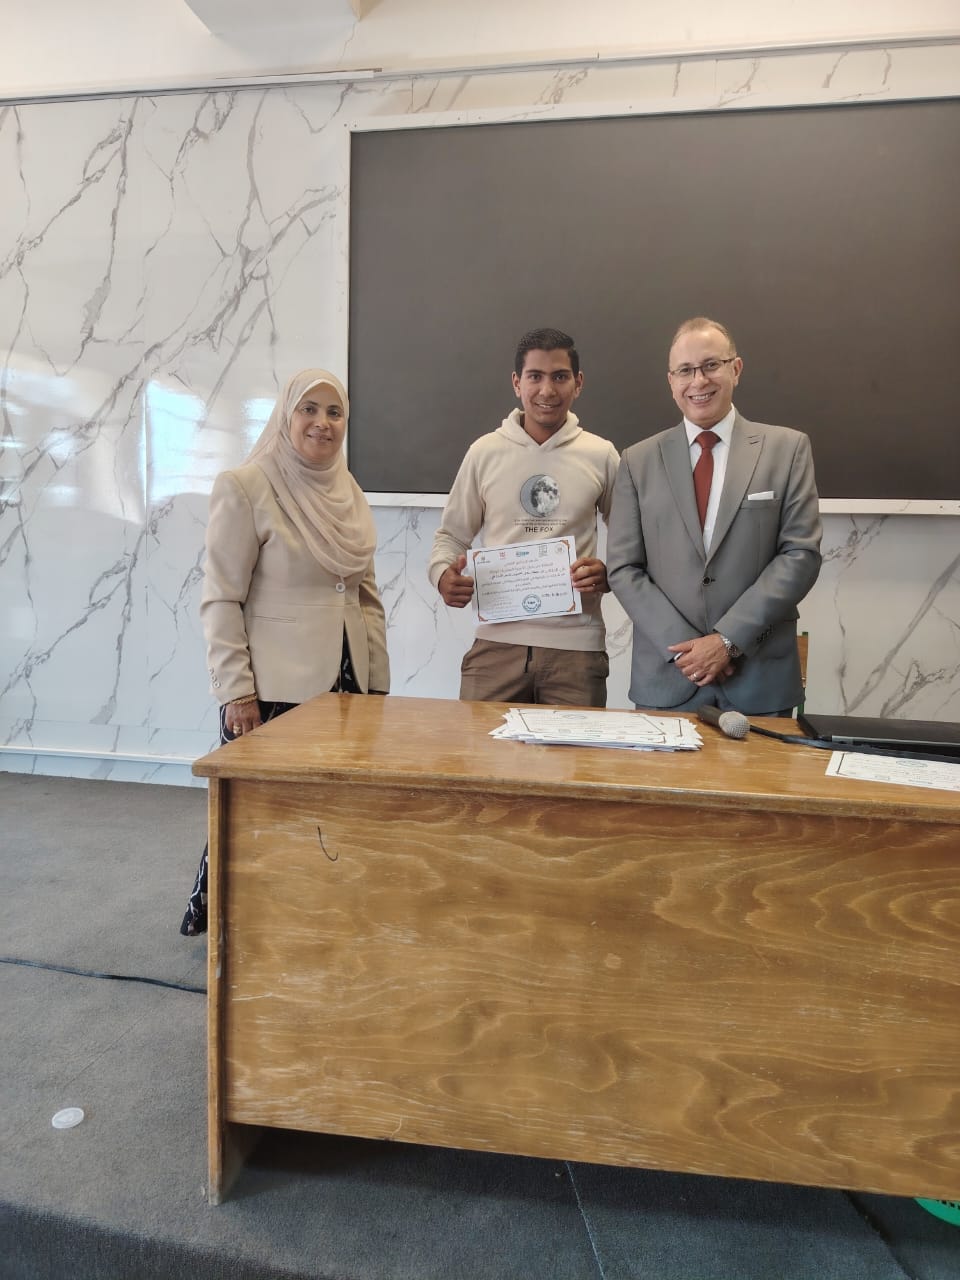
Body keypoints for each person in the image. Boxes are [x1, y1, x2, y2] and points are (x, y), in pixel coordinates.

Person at [179, 368, 389, 936]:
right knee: (255, 812)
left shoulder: (349, 491)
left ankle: (313, 915)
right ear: (285, 416)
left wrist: (377, 684)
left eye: (334, 412)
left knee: (333, 810)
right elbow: (221, 598)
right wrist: (236, 692)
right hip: (272, 689)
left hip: (347, 683)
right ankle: (235, 927)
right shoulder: (246, 486)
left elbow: (365, 598)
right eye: (309, 410)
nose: (323, 423)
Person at [607, 317, 822, 716]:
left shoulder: (786, 449)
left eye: (711, 365)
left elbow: (800, 555)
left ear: (735, 369)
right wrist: (689, 651)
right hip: (669, 678)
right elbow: (624, 568)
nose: (699, 381)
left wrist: (726, 641)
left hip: (759, 679)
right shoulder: (637, 461)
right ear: (671, 381)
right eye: (685, 370)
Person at [428, 327, 620, 706]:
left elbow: (634, 542)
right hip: (495, 646)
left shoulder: (601, 455)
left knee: (576, 748)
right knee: (477, 746)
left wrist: (608, 573)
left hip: (576, 651)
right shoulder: (484, 453)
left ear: (578, 383)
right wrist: (441, 575)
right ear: (517, 383)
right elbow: (451, 537)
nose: (547, 390)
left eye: (560, 377)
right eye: (535, 376)